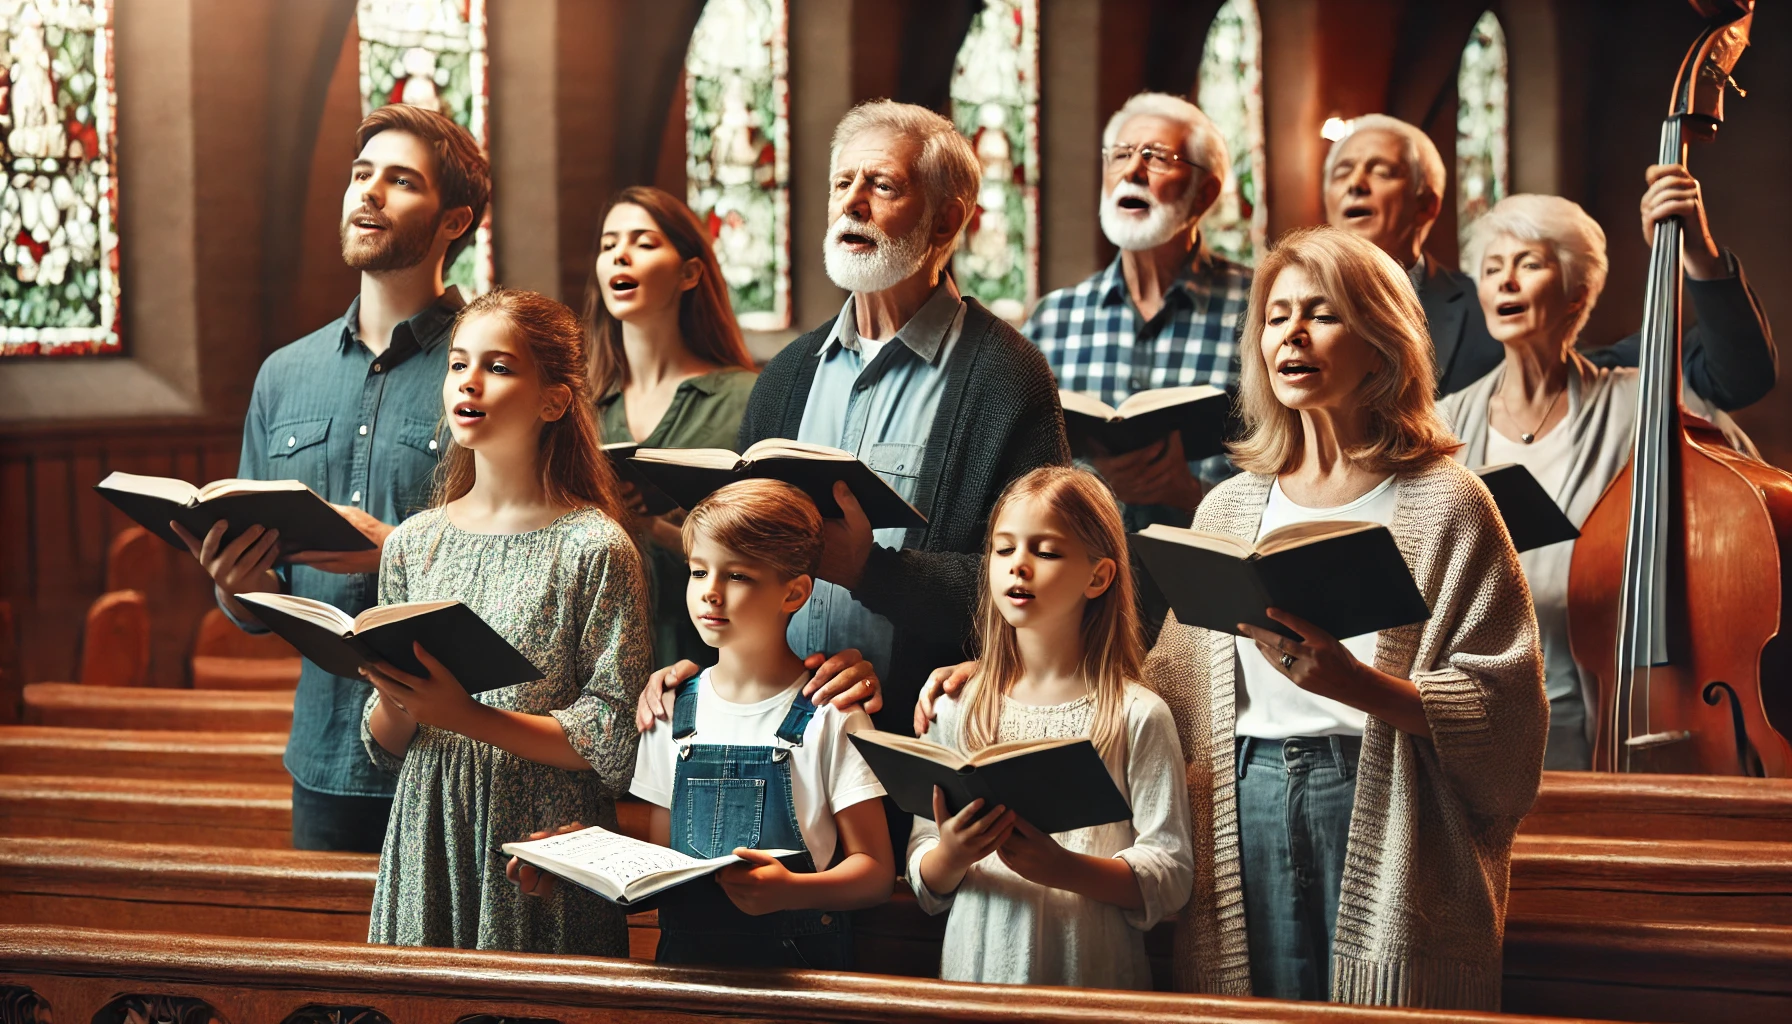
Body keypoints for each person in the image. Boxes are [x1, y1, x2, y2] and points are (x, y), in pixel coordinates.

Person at [918, 226, 1547, 1009]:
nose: (1292, 334)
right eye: (1277, 316)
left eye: (1321, 314)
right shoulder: (1230, 507)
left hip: (1384, 802)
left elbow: (1510, 712)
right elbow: (1164, 684)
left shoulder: (1447, 503)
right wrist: (1011, 666)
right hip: (1240, 796)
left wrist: (1361, 687)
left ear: (1381, 343)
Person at [636, 99, 1070, 740]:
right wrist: (708, 679)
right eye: (843, 183)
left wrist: (872, 572)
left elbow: (1050, 585)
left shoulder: (1006, 377)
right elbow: (738, 565)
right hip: (778, 731)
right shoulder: (787, 375)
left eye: (882, 185)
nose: (852, 204)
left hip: (920, 736)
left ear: (946, 219)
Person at [173, 105, 490, 852]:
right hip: (323, 759)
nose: (369, 192)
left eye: (401, 180)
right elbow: (260, 603)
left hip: (461, 753)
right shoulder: (285, 375)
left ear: (454, 220)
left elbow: (540, 556)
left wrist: (396, 548)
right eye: (361, 174)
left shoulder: (492, 367)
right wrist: (236, 583)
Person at [1437, 193, 1773, 770]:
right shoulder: (1444, 424)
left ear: (1577, 292)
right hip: (1482, 712)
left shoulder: (1641, 402)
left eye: (1528, 264)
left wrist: (1697, 250)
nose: (1506, 281)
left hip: (1621, 702)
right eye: (1492, 269)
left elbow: (1742, 409)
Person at [359, 289, 650, 956]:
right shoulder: (414, 542)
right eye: (459, 364)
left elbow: (610, 736)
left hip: (542, 837)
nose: (469, 381)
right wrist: (396, 695)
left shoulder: (593, 547)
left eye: (498, 367)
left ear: (553, 400)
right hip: (429, 823)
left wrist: (463, 714)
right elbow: (383, 741)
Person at [522, 478, 895, 969]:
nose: (711, 593)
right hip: (684, 976)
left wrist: (793, 890)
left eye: (737, 576)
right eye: (699, 572)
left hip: (799, 976)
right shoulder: (669, 711)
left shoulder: (834, 713)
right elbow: (659, 868)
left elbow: (876, 874)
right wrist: (574, 858)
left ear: (794, 593)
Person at [907, 466, 1192, 990]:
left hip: (1091, 977)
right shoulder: (955, 707)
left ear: (1098, 577)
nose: (1019, 565)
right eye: (1004, 549)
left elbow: (1170, 875)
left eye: (1046, 552)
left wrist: (1063, 868)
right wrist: (950, 854)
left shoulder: (1137, 715)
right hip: (976, 974)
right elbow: (923, 871)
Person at [1322, 116, 1775, 407]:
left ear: (1427, 204)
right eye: (1342, 173)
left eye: (1381, 171)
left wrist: (1696, 251)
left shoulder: (1495, 304)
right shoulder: (1287, 319)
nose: (1355, 185)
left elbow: (1737, 377)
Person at [1025, 93, 1252, 528]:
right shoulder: (1054, 319)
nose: (1132, 171)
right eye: (1121, 155)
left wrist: (1192, 494)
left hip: (1209, 561)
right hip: (1080, 561)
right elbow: (1022, 466)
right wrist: (1091, 483)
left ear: (1204, 194)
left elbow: (1295, 463)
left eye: (1157, 157)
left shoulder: (1262, 309)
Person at [585, 186, 758, 670]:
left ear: (690, 273)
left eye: (643, 242)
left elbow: (773, 551)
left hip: (710, 664)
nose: (620, 254)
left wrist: (659, 530)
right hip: (598, 667)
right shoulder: (578, 408)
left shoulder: (746, 399)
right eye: (608, 245)